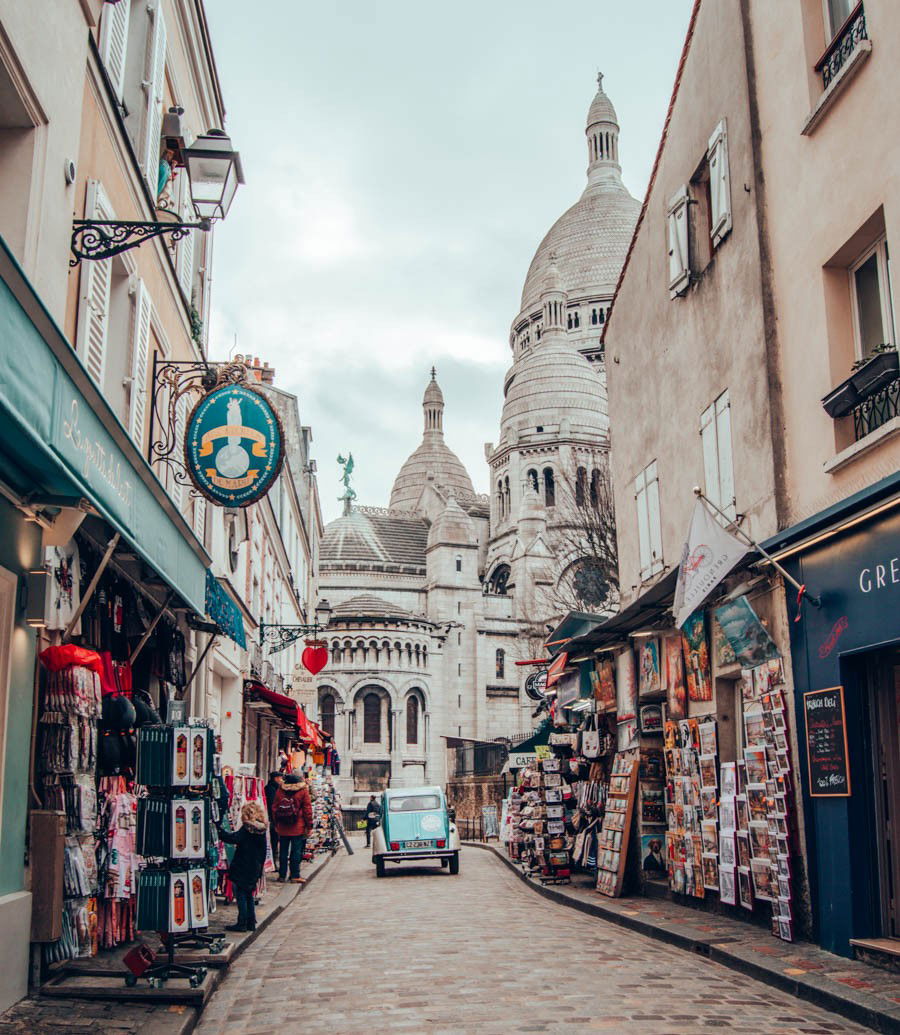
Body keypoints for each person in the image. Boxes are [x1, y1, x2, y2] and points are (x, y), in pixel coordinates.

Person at [218, 802, 268, 932]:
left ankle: (242, 922)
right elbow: (263, 852)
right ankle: (251, 922)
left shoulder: (247, 829)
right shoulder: (262, 829)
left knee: (240, 894)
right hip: (255, 867)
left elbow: (234, 838)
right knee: (249, 895)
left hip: (243, 866)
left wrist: (219, 831)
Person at [272, 770, 313, 883]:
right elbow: (307, 810)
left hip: (283, 826)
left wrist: (276, 824)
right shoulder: (303, 791)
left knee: (283, 852)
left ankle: (282, 875)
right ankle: (295, 875)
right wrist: (309, 826)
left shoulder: (281, 790)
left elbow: (274, 808)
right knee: (296, 851)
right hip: (297, 826)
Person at [264, 770, 283, 858]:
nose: (281, 780)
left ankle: (273, 859)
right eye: (280, 778)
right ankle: (272, 859)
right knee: (273, 840)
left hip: (273, 818)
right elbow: (272, 805)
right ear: (275, 778)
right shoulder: (271, 789)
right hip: (272, 819)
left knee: (274, 840)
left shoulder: (275, 788)